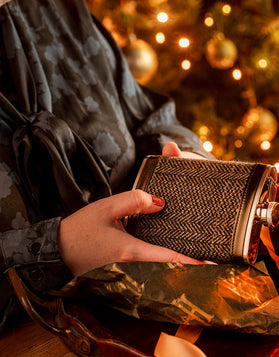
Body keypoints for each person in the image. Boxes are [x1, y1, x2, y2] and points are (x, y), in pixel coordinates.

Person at [0, 0, 212, 331]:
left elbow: (148, 117)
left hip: (153, 323)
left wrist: (184, 158)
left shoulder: (60, 10)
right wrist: (60, 249)